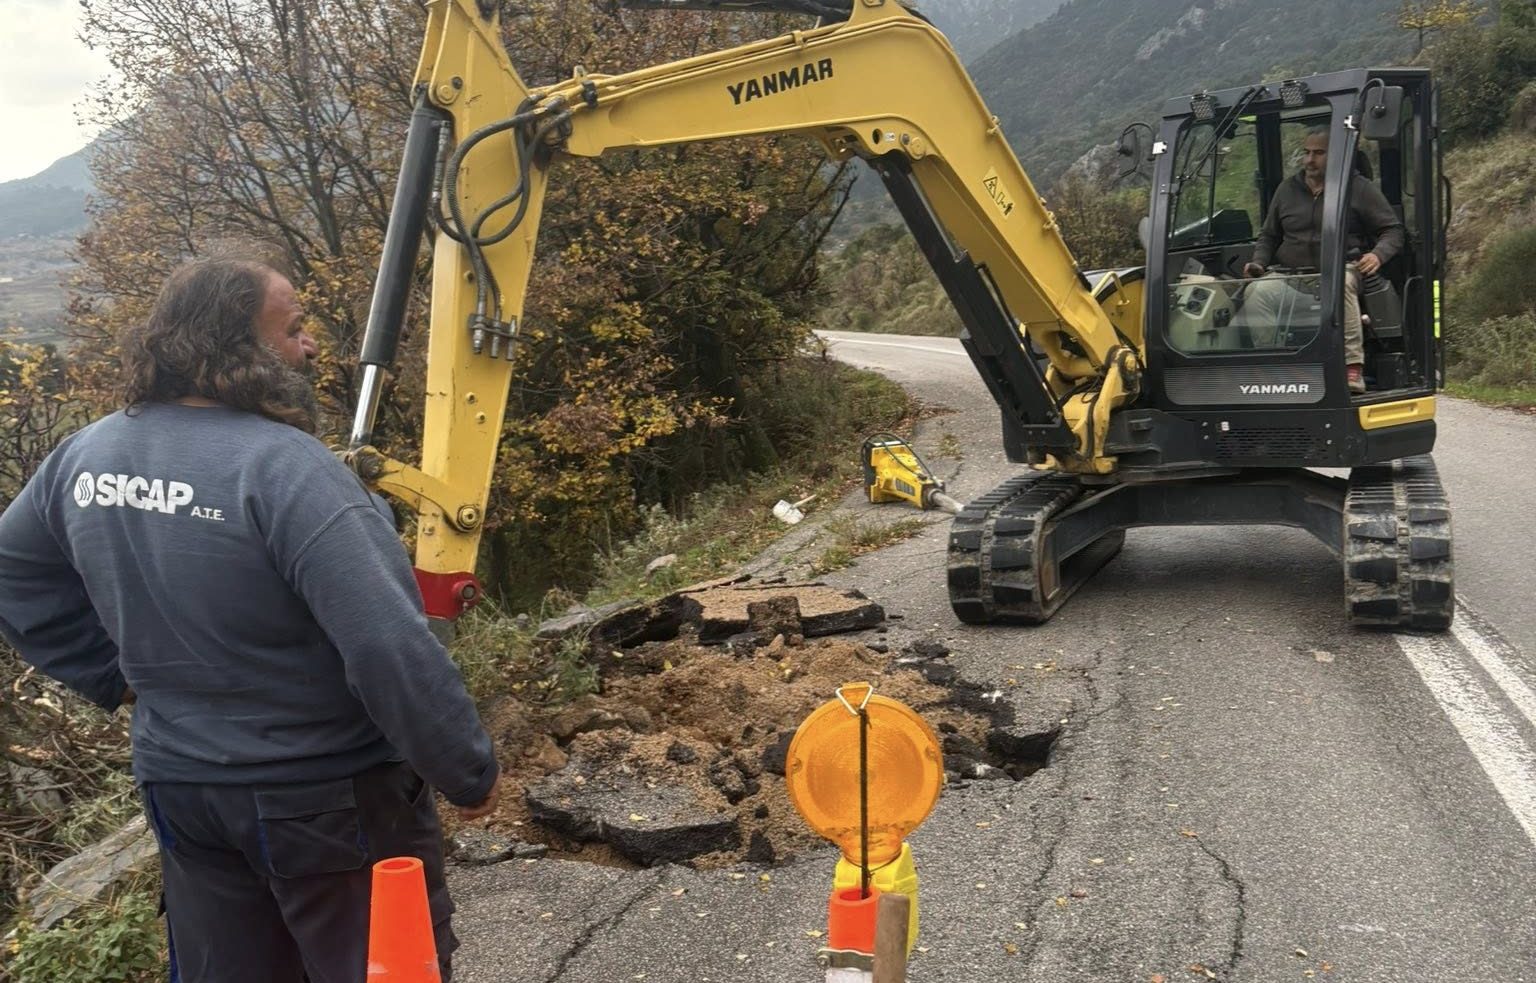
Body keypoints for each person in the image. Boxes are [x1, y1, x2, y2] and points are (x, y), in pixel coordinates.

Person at [0, 253, 501, 983]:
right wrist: (467, 770)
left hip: (183, 792)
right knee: (383, 969)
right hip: (325, 799)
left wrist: (113, 674)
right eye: (292, 329)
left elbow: (12, 569)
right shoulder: (288, 469)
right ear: (234, 346)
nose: (309, 346)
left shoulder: (87, 454)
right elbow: (387, 643)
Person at [1241, 126, 1404, 393]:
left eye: (1318, 153)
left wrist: (1378, 254)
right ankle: (1274, 366)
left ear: (1336, 154)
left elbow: (1393, 230)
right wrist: (1259, 262)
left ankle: (1352, 368)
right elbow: (1269, 235)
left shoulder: (1359, 188)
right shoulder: (1287, 190)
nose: (1309, 160)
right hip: (1293, 275)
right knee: (1258, 292)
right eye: (1306, 152)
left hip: (1343, 269)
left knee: (1340, 284)